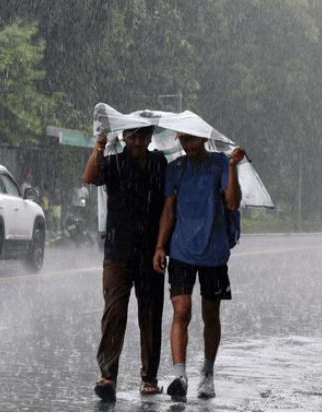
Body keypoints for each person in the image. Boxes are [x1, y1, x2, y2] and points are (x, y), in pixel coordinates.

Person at [152, 132, 244, 401]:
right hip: (181, 251)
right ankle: (179, 375)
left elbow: (233, 202)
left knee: (210, 314)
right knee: (181, 310)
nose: (188, 146)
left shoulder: (220, 163)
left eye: (192, 140)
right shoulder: (176, 168)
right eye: (183, 141)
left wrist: (232, 167)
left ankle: (207, 372)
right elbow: (169, 210)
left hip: (214, 254)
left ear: (203, 138)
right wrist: (160, 246)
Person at [82, 125, 167, 402]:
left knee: (150, 315)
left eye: (143, 137)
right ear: (124, 138)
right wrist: (99, 146)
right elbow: (90, 176)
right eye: (133, 137)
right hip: (117, 252)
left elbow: (169, 202)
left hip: (150, 252)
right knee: (114, 313)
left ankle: (149, 378)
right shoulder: (114, 163)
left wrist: (161, 246)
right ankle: (108, 376)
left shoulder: (159, 163)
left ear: (150, 138)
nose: (138, 142)